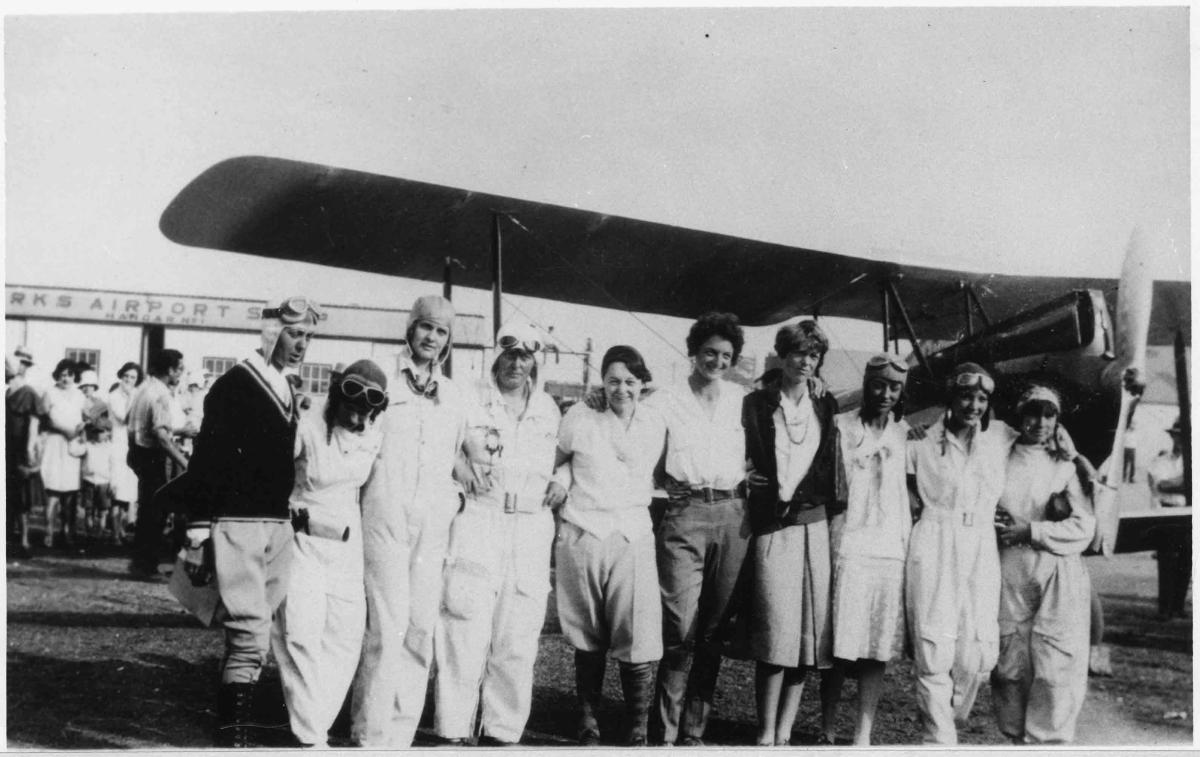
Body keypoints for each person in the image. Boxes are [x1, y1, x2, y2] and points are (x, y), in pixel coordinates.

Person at [180, 295, 325, 748]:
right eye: (294, 334)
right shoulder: (236, 384)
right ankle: (233, 735)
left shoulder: (286, 386)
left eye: (307, 336)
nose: (301, 344)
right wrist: (199, 524)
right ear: (271, 332)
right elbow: (207, 457)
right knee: (249, 636)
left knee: (254, 633)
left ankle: (233, 726)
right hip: (238, 522)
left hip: (276, 525)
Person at [434, 322, 566, 746]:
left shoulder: (548, 407)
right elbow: (441, 443)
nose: (516, 363)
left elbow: (567, 455)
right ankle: (453, 731)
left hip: (529, 524)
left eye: (525, 357)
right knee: (465, 627)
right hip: (480, 516)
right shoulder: (468, 398)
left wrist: (563, 478)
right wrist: (458, 466)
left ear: (534, 362)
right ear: (496, 355)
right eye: (509, 354)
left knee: (518, 636)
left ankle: (501, 734)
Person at [351, 294, 471, 748]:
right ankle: (370, 734)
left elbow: (461, 453)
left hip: (432, 521)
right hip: (385, 512)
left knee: (421, 625)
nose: (432, 338)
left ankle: (399, 737)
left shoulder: (455, 394)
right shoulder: (381, 377)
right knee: (386, 623)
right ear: (410, 326)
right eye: (426, 327)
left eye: (441, 331)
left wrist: (455, 499)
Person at [644, 312, 750, 747]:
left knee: (713, 629)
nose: (717, 361)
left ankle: (693, 730)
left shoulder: (743, 399)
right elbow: (625, 414)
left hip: (732, 514)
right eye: (710, 352)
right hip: (685, 513)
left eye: (726, 355)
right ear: (694, 351)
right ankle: (662, 733)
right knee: (679, 625)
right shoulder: (664, 399)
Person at [271, 360, 387, 748]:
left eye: (366, 411)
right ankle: (310, 737)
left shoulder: (374, 433)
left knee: (344, 638)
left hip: (346, 546)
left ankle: (314, 722)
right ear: (336, 397)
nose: (357, 416)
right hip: (302, 539)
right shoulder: (306, 425)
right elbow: (270, 477)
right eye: (350, 407)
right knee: (300, 635)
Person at [555, 345, 667, 746]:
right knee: (587, 634)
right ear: (602, 381)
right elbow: (559, 458)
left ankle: (636, 726)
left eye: (631, 382)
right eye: (614, 380)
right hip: (585, 529)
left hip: (632, 533)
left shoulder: (655, 420)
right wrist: (561, 481)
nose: (622, 389)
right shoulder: (580, 415)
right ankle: (588, 721)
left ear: (642, 384)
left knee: (636, 630)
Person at [742, 320, 842, 747]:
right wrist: (743, 476)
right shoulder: (756, 403)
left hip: (813, 529)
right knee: (773, 629)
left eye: (813, 355)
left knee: (807, 638)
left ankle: (784, 733)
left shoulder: (826, 404)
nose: (806, 361)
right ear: (782, 355)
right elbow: (735, 449)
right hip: (772, 528)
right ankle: (765, 733)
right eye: (799, 353)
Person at [904, 362, 1011, 744]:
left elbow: (1045, 432)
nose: (974, 405)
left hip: (981, 542)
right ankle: (938, 740)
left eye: (982, 398)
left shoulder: (999, 438)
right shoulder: (919, 440)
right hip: (935, 539)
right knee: (935, 644)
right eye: (966, 396)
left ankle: (950, 714)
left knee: (977, 652)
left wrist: (1075, 454)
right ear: (951, 398)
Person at [991, 385, 1095, 744]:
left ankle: (1048, 745)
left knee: (1054, 667)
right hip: (1010, 568)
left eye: (1049, 415)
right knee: (1010, 666)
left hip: (1056, 573)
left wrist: (1031, 531)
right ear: (1020, 415)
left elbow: (1084, 527)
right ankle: (1015, 741)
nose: (1040, 422)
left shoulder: (1065, 464)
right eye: (1033, 413)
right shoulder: (999, 454)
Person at [828, 353, 912, 745]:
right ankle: (827, 727)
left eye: (894, 387)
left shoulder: (906, 434)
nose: (885, 394)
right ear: (866, 383)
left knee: (876, 648)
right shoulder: (840, 427)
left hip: (889, 551)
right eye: (879, 384)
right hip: (848, 545)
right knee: (841, 644)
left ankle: (863, 734)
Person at [127, 349, 189, 576]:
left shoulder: (144, 389)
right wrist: (184, 461)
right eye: (179, 369)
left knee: (148, 511)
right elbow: (161, 436)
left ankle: (142, 563)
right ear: (170, 370)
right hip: (155, 457)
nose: (181, 374)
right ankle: (145, 564)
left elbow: (137, 426)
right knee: (155, 513)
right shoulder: (160, 394)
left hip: (142, 454)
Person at [39, 358, 86, 549]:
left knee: (70, 493)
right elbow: (44, 419)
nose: (66, 378)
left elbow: (83, 419)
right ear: (57, 375)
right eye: (63, 374)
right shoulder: (50, 392)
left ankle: (67, 532)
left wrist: (81, 431)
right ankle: (48, 532)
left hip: (72, 445)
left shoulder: (79, 395)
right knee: (53, 492)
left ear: (75, 376)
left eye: (70, 375)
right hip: (55, 444)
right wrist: (63, 429)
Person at [1147, 417, 1189, 620]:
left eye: (1186, 436)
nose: (1182, 440)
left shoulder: (1192, 461)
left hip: (1188, 514)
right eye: (1178, 436)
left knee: (1186, 562)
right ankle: (1165, 608)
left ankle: (1178, 606)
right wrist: (1186, 482)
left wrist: (1179, 483)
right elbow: (1161, 485)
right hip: (1167, 512)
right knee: (1166, 562)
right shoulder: (1161, 460)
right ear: (1173, 437)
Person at [7, 347, 41, 556]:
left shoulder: (28, 392)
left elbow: (34, 422)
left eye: (25, 364)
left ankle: (24, 539)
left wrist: (30, 448)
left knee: (21, 495)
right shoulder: (6, 388)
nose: (21, 367)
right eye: (19, 362)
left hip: (19, 447)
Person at [107, 362, 143, 545]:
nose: (129, 380)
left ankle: (121, 530)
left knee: (129, 491)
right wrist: (131, 399)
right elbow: (124, 418)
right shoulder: (114, 397)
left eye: (133, 378)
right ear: (121, 377)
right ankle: (114, 532)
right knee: (117, 489)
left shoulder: (137, 394)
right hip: (118, 445)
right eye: (126, 376)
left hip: (133, 446)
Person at [78, 369, 113, 539]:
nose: (86, 389)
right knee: (87, 497)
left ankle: (100, 529)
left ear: (94, 387)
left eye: (90, 386)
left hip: (100, 445)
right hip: (84, 443)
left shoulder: (101, 405)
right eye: (83, 386)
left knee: (102, 503)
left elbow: (106, 425)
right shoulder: (78, 402)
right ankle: (86, 527)